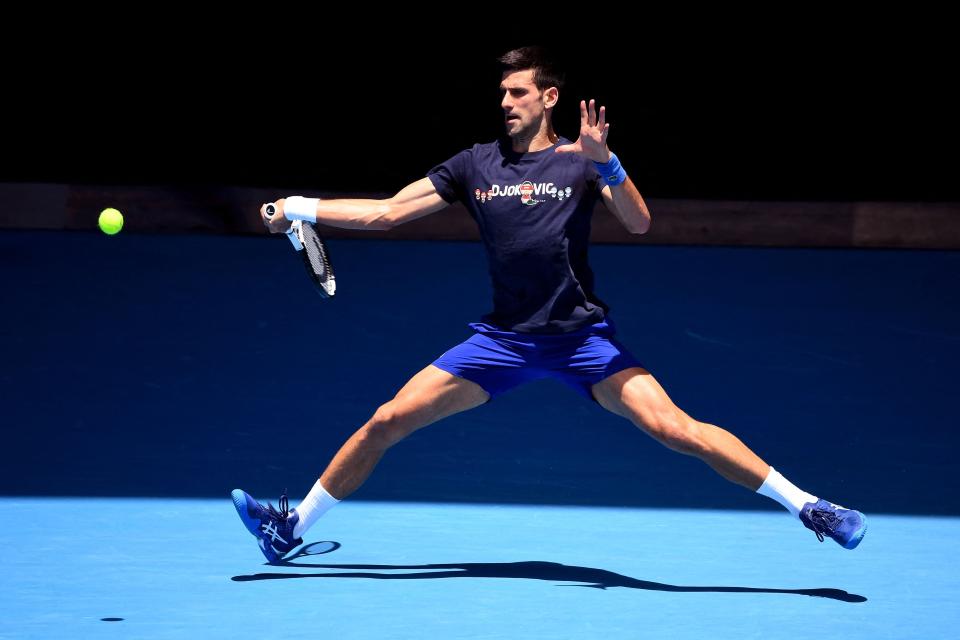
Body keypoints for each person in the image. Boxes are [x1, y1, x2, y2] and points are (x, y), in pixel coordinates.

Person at [232, 46, 866, 563]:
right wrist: (302, 206)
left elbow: (639, 223)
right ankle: (289, 529)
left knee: (678, 430)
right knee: (384, 420)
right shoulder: (473, 163)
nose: (505, 103)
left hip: (583, 340)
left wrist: (608, 162)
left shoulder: (580, 161)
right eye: (502, 93)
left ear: (550, 97)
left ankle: (812, 506)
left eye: (518, 93)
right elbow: (388, 211)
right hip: (502, 341)